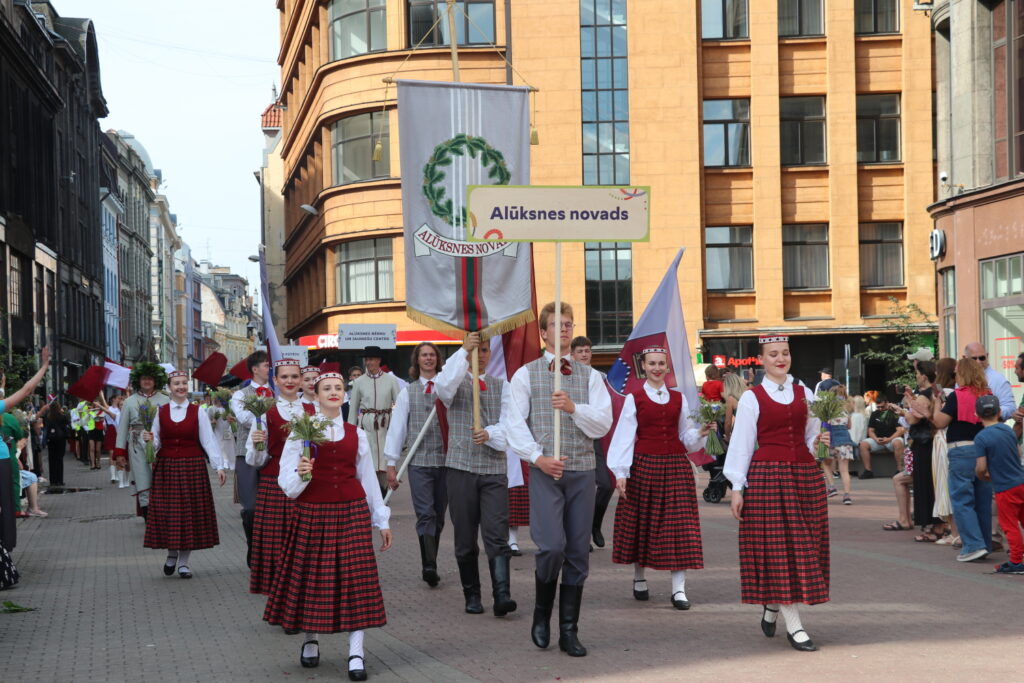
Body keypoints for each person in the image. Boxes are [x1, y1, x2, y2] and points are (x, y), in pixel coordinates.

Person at [264, 372, 391, 681]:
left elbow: (368, 479)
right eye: (326, 389)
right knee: (313, 575)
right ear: (316, 396)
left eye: (338, 388)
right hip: (313, 511)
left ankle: (356, 651)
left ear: (344, 396)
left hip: (351, 512)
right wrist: (302, 473)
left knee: (355, 579)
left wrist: (381, 519)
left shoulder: (356, 433)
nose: (333, 392)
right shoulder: (300, 431)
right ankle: (311, 639)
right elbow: (287, 484)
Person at [505, 301, 612, 658]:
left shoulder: (591, 376)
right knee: (551, 546)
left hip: (582, 472)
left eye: (568, 324)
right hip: (546, 473)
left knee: (578, 551)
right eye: (557, 324)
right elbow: (513, 425)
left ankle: (569, 629)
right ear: (544, 331)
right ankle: (541, 613)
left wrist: (573, 408)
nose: (564, 329)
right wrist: (538, 457)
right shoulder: (526, 374)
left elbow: (602, 423)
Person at [724, 334, 830, 652]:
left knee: (804, 545)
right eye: (773, 354)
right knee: (779, 547)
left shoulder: (805, 393)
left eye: (785, 353)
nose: (780, 359)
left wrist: (820, 442)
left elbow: (811, 436)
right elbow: (742, 443)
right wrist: (737, 487)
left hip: (803, 475)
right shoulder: (753, 398)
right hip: (768, 476)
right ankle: (794, 626)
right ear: (762, 359)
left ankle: (772, 604)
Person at [608, 347, 711, 610]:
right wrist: (621, 472)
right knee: (642, 522)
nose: (656, 368)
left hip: (676, 466)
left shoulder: (679, 399)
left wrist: (701, 432)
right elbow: (624, 435)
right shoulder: (635, 398)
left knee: (679, 526)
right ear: (644, 367)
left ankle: (678, 590)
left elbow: (685, 439)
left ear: (667, 367)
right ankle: (639, 577)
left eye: (661, 363)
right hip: (644, 466)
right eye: (652, 363)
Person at [433, 332, 519, 616]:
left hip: (493, 468)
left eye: (483, 350)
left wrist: (491, 433)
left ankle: (502, 594)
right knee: (465, 537)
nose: (479, 354)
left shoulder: (502, 385)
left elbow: (510, 424)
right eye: (475, 350)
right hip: (460, 467)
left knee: (496, 533)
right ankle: (472, 594)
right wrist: (462, 351)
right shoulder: (454, 382)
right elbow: (442, 387)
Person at [142, 370, 227, 578]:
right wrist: (148, 440)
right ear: (169, 388)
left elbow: (208, 439)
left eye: (183, 383)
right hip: (167, 467)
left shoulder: (197, 411)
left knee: (190, 514)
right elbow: (156, 442)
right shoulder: (159, 411)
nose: (180, 387)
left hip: (192, 466)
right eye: (176, 384)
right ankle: (171, 554)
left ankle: (184, 562)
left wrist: (219, 466)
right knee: (170, 513)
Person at [246, 359, 316, 595]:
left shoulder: (313, 410)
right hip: (274, 481)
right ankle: (280, 595)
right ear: (275, 380)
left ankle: (300, 591)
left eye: (294, 377)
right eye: (284, 377)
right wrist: (257, 445)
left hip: (306, 482)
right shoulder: (266, 412)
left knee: (303, 542)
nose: (290, 381)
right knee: (277, 543)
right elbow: (254, 461)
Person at [383, 342, 447, 588]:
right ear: (417, 360)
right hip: (419, 462)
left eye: (432, 355)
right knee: (425, 513)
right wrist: (391, 463)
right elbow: (397, 429)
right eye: (424, 355)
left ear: (437, 359)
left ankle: (433, 559)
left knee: (439, 516)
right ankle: (428, 565)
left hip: (445, 461)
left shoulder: (446, 389)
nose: (429, 359)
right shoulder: (406, 393)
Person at [931, 357, 993, 562]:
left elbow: (939, 422)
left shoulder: (958, 396)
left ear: (963, 374)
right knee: (982, 501)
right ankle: (983, 543)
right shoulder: (988, 394)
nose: (955, 375)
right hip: (983, 450)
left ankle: (973, 546)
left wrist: (938, 402)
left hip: (961, 450)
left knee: (962, 500)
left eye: (957, 372)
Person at [230, 350, 273, 566]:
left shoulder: (278, 392)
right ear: (255, 369)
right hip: (246, 454)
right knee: (251, 507)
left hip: (273, 454)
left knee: (272, 504)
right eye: (266, 365)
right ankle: (253, 547)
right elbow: (245, 419)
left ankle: (268, 552)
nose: (269, 369)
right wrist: (270, 413)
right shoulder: (240, 394)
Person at [571, 335, 612, 550]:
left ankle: (594, 525)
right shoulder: (564, 376)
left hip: (595, 437)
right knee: (580, 489)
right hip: (571, 436)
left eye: (587, 350)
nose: (585, 354)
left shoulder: (600, 377)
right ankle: (581, 536)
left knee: (607, 484)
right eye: (580, 351)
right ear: (572, 355)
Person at [974, 394, 1024, 574]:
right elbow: (1018, 453)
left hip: (1005, 487)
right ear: (1000, 412)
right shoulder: (1008, 430)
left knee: (1010, 525)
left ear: (976, 415)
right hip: (1021, 480)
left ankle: (1017, 562)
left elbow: (981, 467)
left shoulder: (981, 438)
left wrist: (983, 476)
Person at [114, 363, 171, 519]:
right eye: (143, 378)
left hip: (161, 445)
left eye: (150, 378)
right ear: (138, 380)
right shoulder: (129, 402)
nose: (147, 381)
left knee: (163, 480)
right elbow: (123, 428)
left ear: (155, 380)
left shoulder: (166, 399)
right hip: (136, 445)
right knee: (142, 478)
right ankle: (148, 516)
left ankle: (164, 514)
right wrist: (120, 452)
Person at [347, 347, 401, 497]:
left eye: (371, 359)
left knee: (385, 459)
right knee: (367, 459)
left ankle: (384, 494)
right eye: (367, 359)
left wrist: (399, 429)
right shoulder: (358, 382)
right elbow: (353, 410)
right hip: (366, 426)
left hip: (385, 425)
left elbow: (399, 405)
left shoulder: (391, 380)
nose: (368, 362)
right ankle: (369, 495)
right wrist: (351, 434)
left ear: (379, 360)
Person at [903, 362, 946, 542]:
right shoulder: (936, 393)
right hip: (932, 442)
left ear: (924, 376)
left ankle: (932, 527)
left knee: (924, 484)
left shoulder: (924, 395)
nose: (916, 376)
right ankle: (939, 525)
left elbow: (913, 419)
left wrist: (905, 408)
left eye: (917, 373)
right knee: (933, 483)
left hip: (923, 444)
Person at [931, 358, 959, 546]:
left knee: (944, 485)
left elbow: (937, 419)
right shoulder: (953, 392)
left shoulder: (944, 393)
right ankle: (954, 531)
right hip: (945, 439)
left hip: (942, 440)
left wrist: (935, 401)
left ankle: (955, 532)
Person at [820, 385, 856, 505]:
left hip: (832, 441)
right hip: (845, 441)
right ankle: (847, 496)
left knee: (825, 463)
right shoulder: (846, 408)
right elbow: (849, 426)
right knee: (844, 470)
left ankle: (831, 486)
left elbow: (825, 425)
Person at [963, 342, 1014, 420]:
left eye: (982, 358)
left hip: (989, 428)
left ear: (987, 356)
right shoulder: (961, 378)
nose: (978, 362)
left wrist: (988, 413)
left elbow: (1010, 408)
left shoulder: (998, 379)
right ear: (965, 358)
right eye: (974, 359)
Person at [857, 401, 905, 479]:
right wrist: (876, 438)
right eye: (878, 407)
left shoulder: (894, 413)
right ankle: (868, 471)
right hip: (878, 440)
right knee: (863, 444)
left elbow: (899, 430)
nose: (880, 409)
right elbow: (870, 431)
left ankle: (899, 470)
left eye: (882, 407)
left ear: (887, 404)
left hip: (892, 439)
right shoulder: (874, 414)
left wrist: (889, 439)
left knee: (898, 442)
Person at [40, 399, 71, 488]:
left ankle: (53, 480)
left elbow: (46, 428)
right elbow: (67, 425)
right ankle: (59, 480)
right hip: (61, 440)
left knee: (52, 460)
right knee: (59, 460)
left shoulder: (48, 417)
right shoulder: (62, 416)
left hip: (51, 440)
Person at [722, 372, 748, 441]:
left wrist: (727, 436)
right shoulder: (748, 393)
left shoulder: (730, 399)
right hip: (753, 429)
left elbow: (728, 422)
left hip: (740, 431)